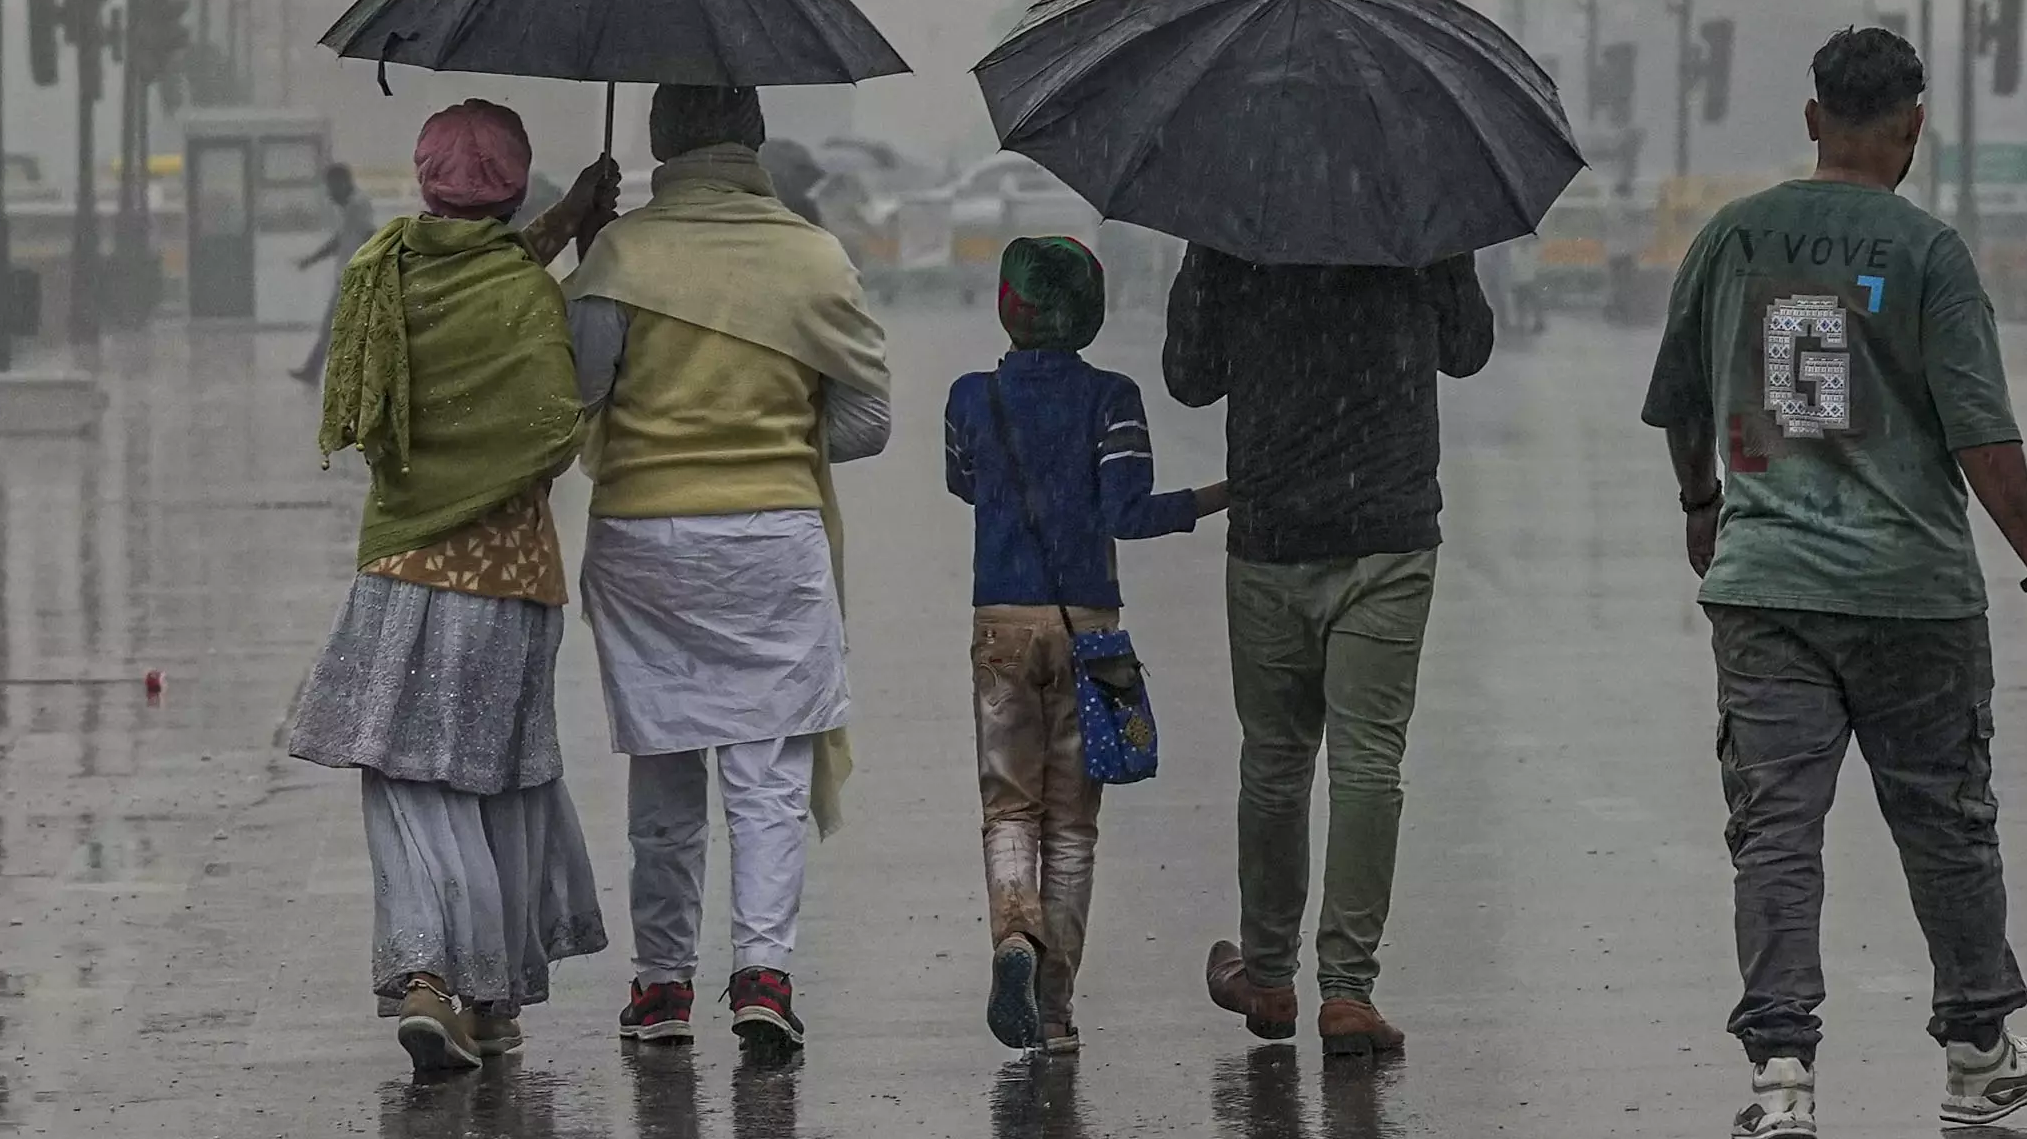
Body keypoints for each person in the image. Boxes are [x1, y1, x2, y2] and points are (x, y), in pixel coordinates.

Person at [1644, 24, 2027, 1139]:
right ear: (1911, 126)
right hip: (1912, 591)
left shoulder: (1731, 238)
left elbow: (1685, 404)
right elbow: (1980, 435)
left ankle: (1783, 1074)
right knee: (1946, 823)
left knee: (1776, 833)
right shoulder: (1929, 253)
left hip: (1765, 587)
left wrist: (1704, 507)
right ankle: (1975, 1053)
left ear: (1812, 119)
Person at [281, 97, 624, 1079]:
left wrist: (567, 231)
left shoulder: (382, 274)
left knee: (407, 778)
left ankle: (428, 975)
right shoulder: (526, 298)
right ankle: (493, 998)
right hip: (512, 581)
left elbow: (457, 293)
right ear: (516, 189)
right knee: (502, 782)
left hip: (401, 569)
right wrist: (578, 238)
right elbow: (556, 424)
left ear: (424, 183)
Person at [572, 83, 895, 1058]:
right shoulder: (811, 257)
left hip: (645, 539)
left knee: (667, 766)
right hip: (772, 541)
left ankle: (662, 987)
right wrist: (772, 435)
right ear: (754, 140)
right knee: (766, 774)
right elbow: (869, 422)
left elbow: (579, 391)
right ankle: (763, 973)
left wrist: (590, 255)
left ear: (662, 144)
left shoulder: (620, 255)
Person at [1164, 203, 1499, 1064]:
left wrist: (1211, 257)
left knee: (1275, 759)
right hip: (1387, 529)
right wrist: (1439, 253)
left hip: (1273, 530)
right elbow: (1467, 349)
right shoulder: (1417, 202)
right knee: (1367, 763)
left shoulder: (1238, 209)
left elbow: (1189, 375)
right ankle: (1347, 991)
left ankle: (1269, 974)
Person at [943, 234, 1223, 1055]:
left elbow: (964, 480)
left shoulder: (970, 396)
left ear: (1009, 306)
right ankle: (1057, 1007)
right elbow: (1127, 512)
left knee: (1008, 808)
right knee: (1072, 824)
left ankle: (1012, 939)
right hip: (1089, 633)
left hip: (998, 623)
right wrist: (1219, 495)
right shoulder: (1113, 398)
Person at [289, 158, 373, 382]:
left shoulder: (358, 205)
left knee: (335, 327)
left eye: (331, 186)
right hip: (348, 276)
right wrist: (311, 260)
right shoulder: (350, 207)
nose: (329, 193)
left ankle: (315, 371)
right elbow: (339, 241)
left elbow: (370, 235)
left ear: (343, 182)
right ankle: (313, 370)